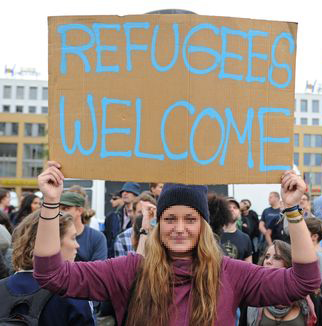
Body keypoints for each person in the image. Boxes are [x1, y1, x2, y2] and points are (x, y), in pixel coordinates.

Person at [33, 162, 321, 325]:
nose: (180, 229)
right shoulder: (131, 271)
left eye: (190, 219)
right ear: (158, 224)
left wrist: (293, 210)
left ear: (204, 226)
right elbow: (52, 274)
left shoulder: (230, 273)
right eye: (170, 219)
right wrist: (50, 202)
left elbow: (303, 281)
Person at [1, 210, 96, 325]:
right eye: (73, 238)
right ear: (53, 243)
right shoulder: (73, 292)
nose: (77, 245)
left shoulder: (2, 287)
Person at [247, 240, 317, 325]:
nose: (268, 261)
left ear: (289, 263)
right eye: (267, 256)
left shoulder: (308, 298)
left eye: (277, 257)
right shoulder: (253, 295)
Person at [60, 191, 107, 262]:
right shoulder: (53, 235)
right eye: (57, 208)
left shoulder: (97, 237)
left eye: (65, 208)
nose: (59, 212)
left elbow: (97, 270)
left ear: (79, 211)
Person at [114, 192, 156, 257]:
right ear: (133, 213)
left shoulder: (162, 236)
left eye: (148, 212)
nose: (144, 216)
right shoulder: (122, 238)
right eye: (140, 212)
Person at [221, 198, 253, 262]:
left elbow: (249, 266)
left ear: (239, 213)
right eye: (228, 207)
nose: (231, 209)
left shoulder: (245, 238)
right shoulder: (213, 236)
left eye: (235, 207)